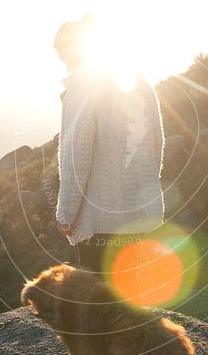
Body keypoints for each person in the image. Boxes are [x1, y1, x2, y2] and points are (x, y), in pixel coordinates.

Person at [53, 15, 165, 276]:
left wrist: (66, 213)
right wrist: (147, 185)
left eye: (61, 49)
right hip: (137, 213)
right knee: (131, 292)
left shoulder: (82, 85)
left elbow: (76, 153)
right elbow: (156, 139)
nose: (61, 58)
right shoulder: (137, 78)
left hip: (100, 219)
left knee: (101, 299)